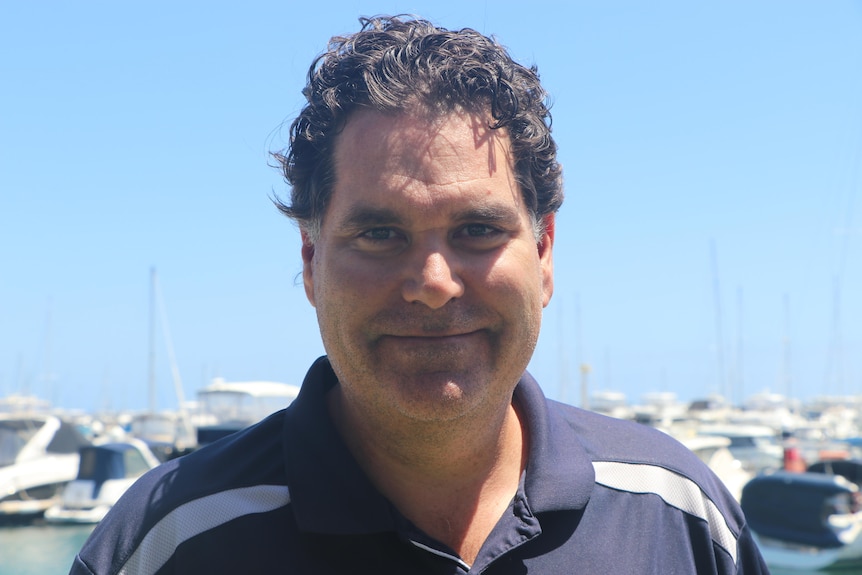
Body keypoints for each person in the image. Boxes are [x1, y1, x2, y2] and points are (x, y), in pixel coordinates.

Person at [70, 15, 770, 574]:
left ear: (545, 251)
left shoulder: (676, 518)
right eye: (378, 232)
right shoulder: (168, 546)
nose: (433, 284)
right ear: (311, 260)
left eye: (476, 229)